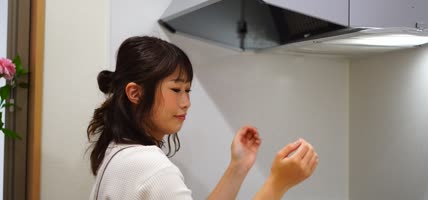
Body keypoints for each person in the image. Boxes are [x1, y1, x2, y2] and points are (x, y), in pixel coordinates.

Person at [87, 36, 319, 200]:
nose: (186, 102)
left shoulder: (119, 152)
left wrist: (238, 167)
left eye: (187, 90)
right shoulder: (151, 168)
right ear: (135, 93)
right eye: (176, 90)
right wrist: (279, 183)